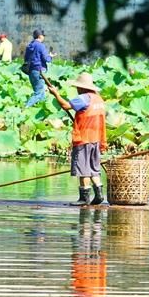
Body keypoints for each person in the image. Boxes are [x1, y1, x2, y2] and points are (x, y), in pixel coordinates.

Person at [46, 72, 107, 206]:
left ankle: (84, 198)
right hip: (96, 138)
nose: (77, 89)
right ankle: (99, 194)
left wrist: (55, 94)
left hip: (84, 138)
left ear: (82, 87)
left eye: (78, 87)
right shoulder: (98, 99)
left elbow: (66, 106)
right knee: (93, 167)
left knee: (83, 168)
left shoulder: (84, 98)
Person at [23, 29, 53, 107]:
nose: (44, 37)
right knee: (39, 93)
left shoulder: (29, 45)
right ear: (40, 36)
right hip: (39, 71)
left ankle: (42, 111)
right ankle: (25, 108)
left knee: (41, 92)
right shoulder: (40, 45)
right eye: (43, 36)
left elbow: (25, 59)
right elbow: (46, 59)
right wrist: (50, 56)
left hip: (31, 71)